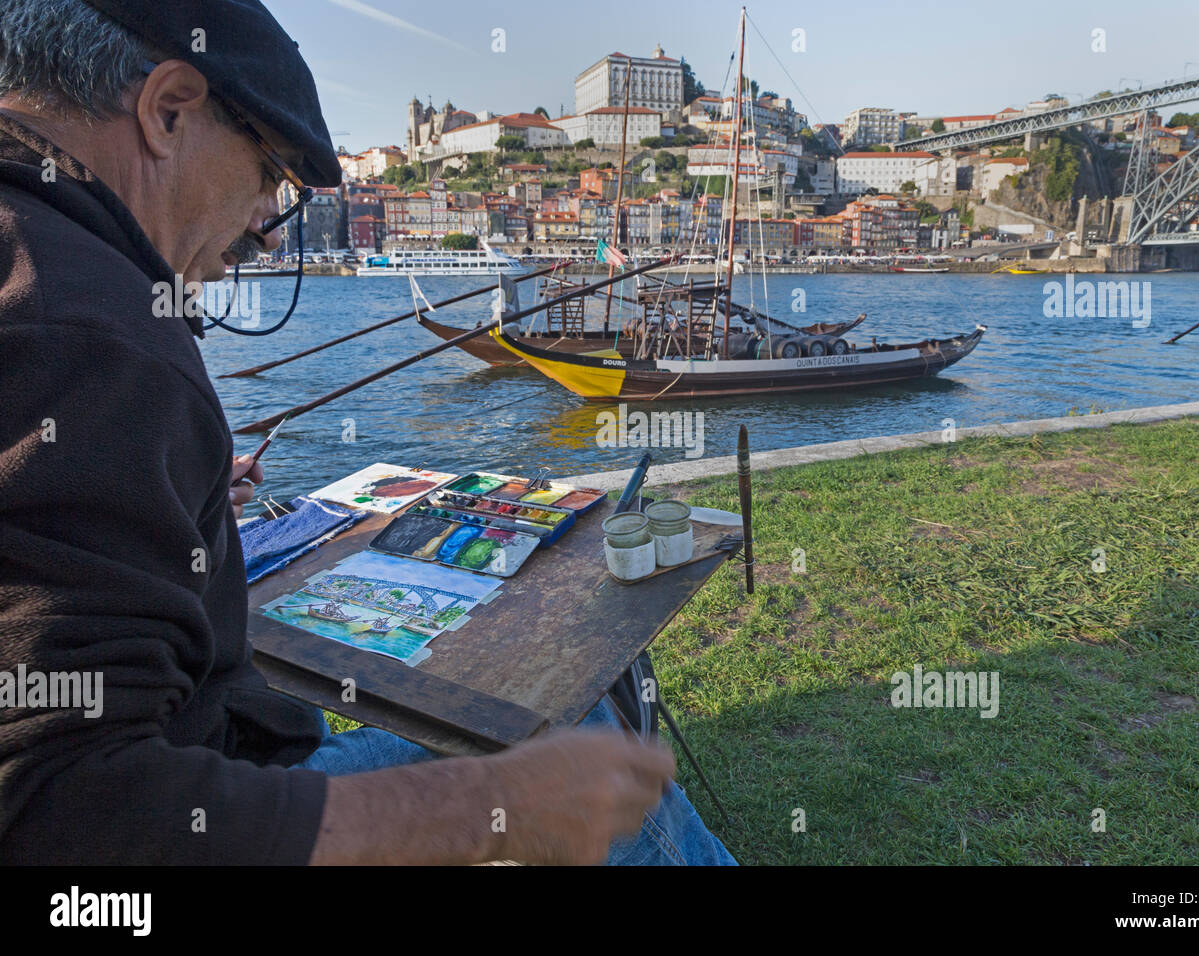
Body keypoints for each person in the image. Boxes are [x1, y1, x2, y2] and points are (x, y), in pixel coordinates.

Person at [0, 0, 735, 866]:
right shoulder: (91, 337)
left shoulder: (47, 276)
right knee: (574, 731)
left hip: (227, 744)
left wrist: (178, 504)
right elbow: (61, 816)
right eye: (271, 174)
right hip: (220, 779)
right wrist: (489, 807)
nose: (263, 227)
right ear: (167, 112)